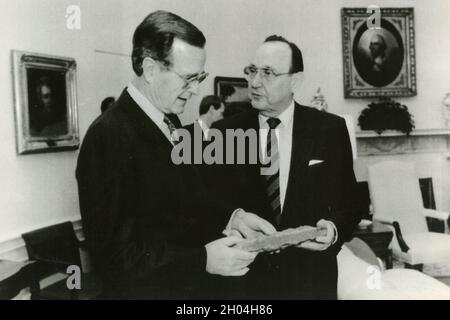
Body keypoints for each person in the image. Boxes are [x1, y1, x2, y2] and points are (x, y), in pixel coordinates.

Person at [76, 11, 274, 299]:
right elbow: (114, 257)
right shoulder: (108, 135)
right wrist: (203, 260)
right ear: (150, 69)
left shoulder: (170, 121)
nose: (195, 90)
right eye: (188, 78)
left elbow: (186, 204)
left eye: (200, 77)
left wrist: (233, 218)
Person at [209, 35, 363, 299]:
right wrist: (231, 217)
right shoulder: (224, 132)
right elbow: (207, 203)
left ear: (295, 80)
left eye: (268, 73)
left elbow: (351, 203)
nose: (255, 82)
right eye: (252, 71)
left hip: (311, 281)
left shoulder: (330, 129)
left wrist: (333, 230)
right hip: (244, 285)